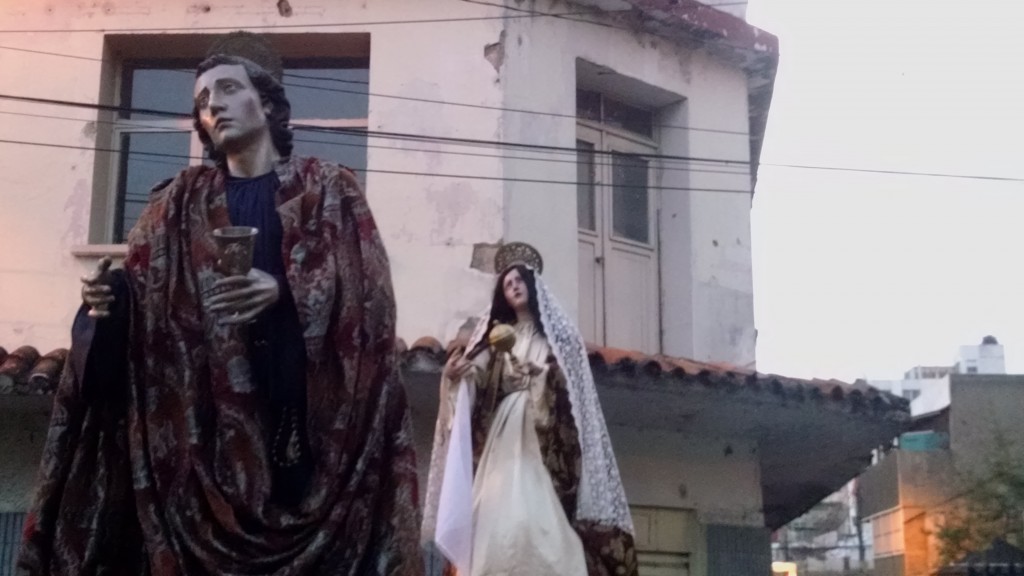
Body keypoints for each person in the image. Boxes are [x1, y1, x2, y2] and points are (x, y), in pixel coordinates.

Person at [18, 32, 424, 576]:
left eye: (229, 89)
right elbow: (140, 328)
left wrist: (287, 295)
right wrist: (104, 307)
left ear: (269, 101)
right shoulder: (172, 205)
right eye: (203, 101)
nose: (214, 107)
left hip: (304, 451)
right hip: (196, 466)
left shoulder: (330, 191)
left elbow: (370, 305)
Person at [422, 242, 639, 576]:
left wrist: (541, 379)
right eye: (507, 285)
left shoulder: (557, 340)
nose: (514, 287)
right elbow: (474, 375)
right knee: (494, 513)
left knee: (541, 523)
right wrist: (453, 379)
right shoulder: (496, 339)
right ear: (503, 296)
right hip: (504, 434)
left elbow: (570, 393)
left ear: (532, 285)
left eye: (519, 280)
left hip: (542, 435)